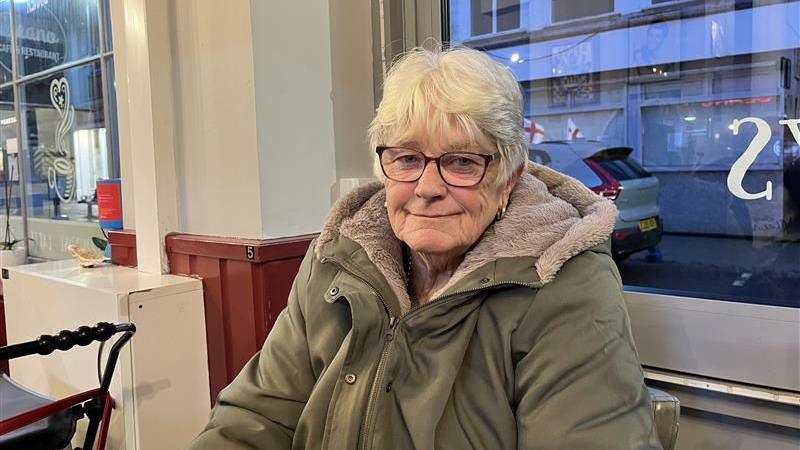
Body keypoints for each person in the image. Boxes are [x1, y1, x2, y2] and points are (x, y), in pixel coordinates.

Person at [189, 45, 662, 449]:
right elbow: (257, 416)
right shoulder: (337, 260)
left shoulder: (566, 286)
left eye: (461, 162)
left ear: (508, 179)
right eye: (407, 158)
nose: (428, 187)